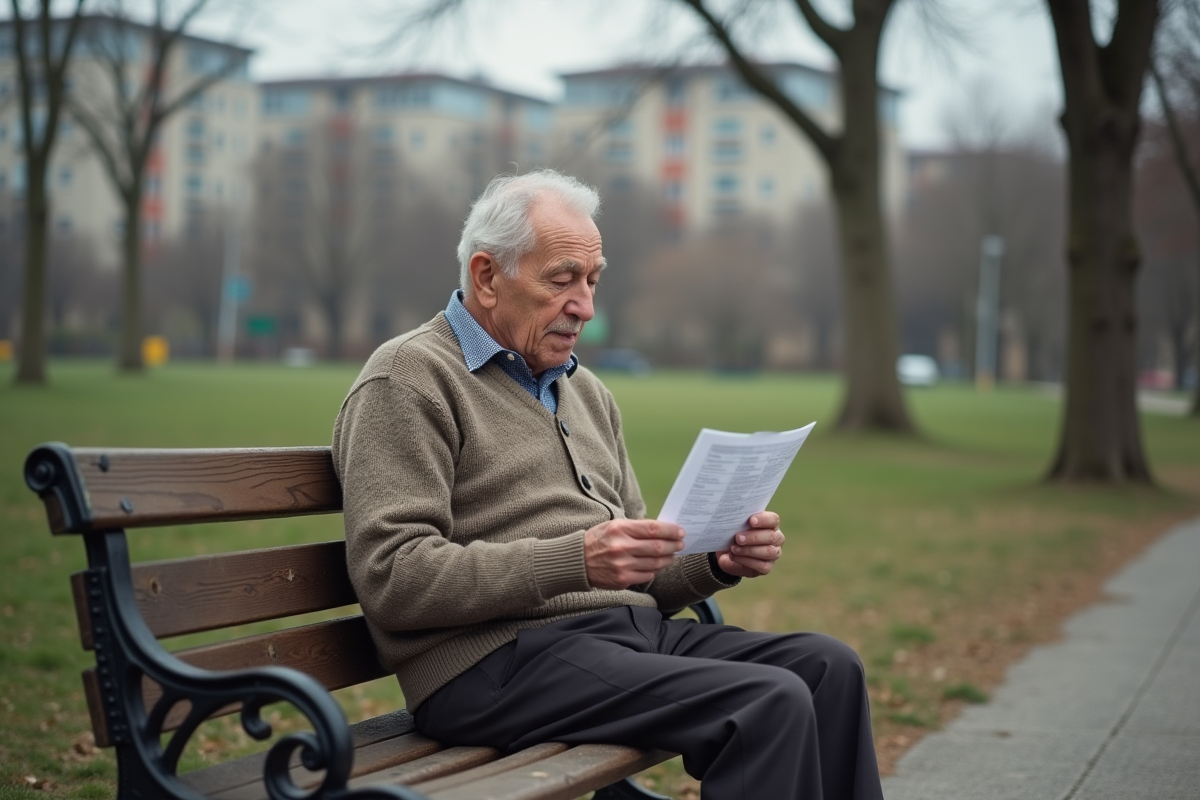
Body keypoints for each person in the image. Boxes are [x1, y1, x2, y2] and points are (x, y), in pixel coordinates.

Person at [332, 169, 883, 800]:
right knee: (765, 700)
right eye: (562, 279)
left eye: (592, 281)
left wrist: (716, 563)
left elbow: (642, 578)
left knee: (828, 668)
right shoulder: (408, 378)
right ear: (487, 277)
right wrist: (576, 559)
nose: (585, 306)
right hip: (492, 665)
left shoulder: (586, 392)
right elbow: (393, 579)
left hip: (620, 640)